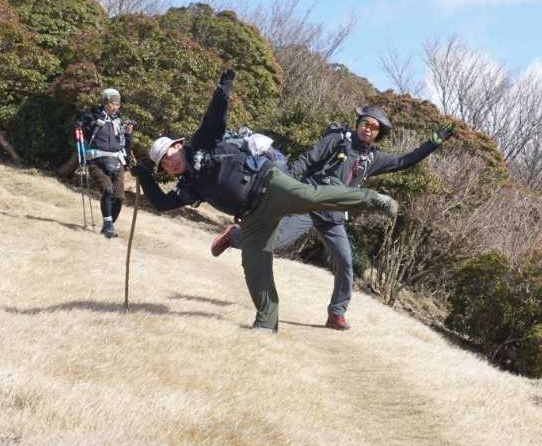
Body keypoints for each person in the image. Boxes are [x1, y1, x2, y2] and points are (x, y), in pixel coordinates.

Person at [132, 68, 399, 332]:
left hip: (270, 185)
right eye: (163, 164)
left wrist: (223, 90)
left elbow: (215, 118)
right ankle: (267, 322)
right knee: (254, 264)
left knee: (310, 196)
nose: (169, 163)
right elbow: (162, 203)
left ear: (178, 145)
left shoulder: (201, 144)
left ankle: (373, 199)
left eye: (169, 155)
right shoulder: (188, 186)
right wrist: (144, 176)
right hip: (252, 217)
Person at [211, 105, 454, 331]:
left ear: (378, 134)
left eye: (374, 127)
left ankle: (336, 314)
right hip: (308, 203)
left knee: (345, 262)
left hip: (333, 215)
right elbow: (307, 159)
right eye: (366, 123)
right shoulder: (338, 140)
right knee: (275, 242)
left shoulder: (372, 158)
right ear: (358, 123)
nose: (368, 129)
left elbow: (404, 160)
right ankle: (236, 237)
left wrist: (433, 143)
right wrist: (287, 185)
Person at [75, 87, 134, 238]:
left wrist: (128, 134)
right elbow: (82, 126)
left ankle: (109, 226)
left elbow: (126, 146)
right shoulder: (94, 116)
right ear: (105, 102)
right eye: (112, 103)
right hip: (96, 161)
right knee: (107, 189)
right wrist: (81, 121)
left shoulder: (119, 122)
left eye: (117, 104)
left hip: (117, 162)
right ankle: (108, 226)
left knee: (119, 197)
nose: (115, 107)